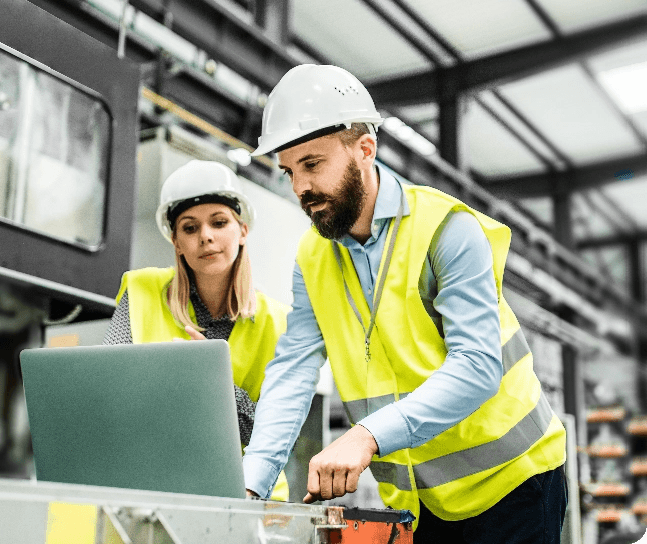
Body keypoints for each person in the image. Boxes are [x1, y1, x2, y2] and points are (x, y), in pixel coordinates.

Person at [243, 64, 567, 542]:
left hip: (516, 483)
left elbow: (478, 365)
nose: (300, 189)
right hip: (424, 502)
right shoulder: (312, 258)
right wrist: (252, 485)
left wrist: (366, 436)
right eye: (290, 171)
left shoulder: (447, 230)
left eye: (313, 164)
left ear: (365, 149)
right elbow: (293, 369)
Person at [103, 159, 290, 501]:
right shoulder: (141, 291)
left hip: (248, 494)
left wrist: (210, 378)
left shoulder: (279, 321)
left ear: (242, 230)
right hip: (154, 486)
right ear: (176, 242)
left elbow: (272, 431)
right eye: (190, 228)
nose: (206, 236)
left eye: (219, 223)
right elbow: (109, 391)